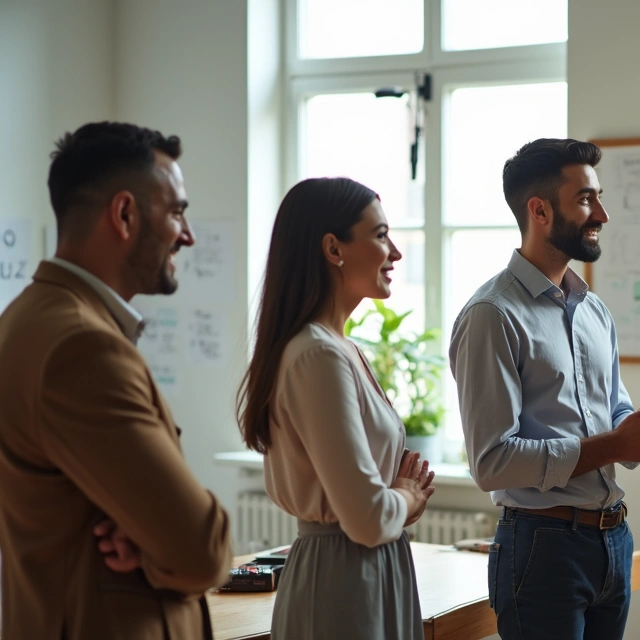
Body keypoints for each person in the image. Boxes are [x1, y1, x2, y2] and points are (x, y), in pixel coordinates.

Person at [449, 138, 640, 640]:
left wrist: (637, 423)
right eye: (586, 199)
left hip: (612, 540)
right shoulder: (491, 316)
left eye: (599, 197)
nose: (602, 213)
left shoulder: (593, 308)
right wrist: (614, 444)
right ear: (539, 210)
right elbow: (492, 461)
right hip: (541, 547)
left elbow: (612, 414)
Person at [0, 121, 232, 639]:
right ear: (124, 214)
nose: (188, 235)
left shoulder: (28, 319)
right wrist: (160, 546)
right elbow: (201, 547)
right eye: (176, 212)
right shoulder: (82, 347)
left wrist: (151, 539)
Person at [237, 177, 436, 639]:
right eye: (382, 235)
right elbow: (366, 518)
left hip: (369, 570)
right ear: (333, 248)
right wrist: (407, 495)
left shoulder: (341, 348)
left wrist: (399, 500)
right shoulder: (317, 354)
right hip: (344, 581)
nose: (397, 253)